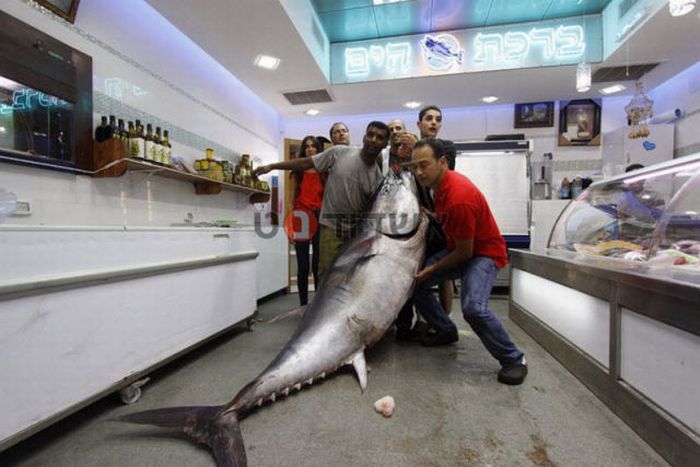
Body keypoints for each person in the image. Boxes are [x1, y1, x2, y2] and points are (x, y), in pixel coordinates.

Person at [410, 138, 528, 385]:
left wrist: (431, 268)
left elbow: (464, 254)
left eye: (424, 165)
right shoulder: (438, 186)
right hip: (462, 249)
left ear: (442, 162)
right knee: (414, 284)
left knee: (473, 308)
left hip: (483, 254)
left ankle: (514, 359)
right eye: (415, 166)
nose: (419, 172)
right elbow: (452, 226)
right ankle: (446, 330)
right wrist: (431, 216)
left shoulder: (458, 196)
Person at [255, 122, 390, 279]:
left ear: (385, 144)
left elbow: (372, 212)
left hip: (355, 235)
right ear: (364, 137)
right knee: (326, 276)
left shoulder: (378, 178)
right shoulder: (340, 152)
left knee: (349, 278)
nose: (373, 140)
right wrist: (272, 166)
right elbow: (305, 162)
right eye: (371, 135)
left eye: (379, 138)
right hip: (331, 228)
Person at [417, 105, 457, 316]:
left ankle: (445, 319)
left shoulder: (447, 147)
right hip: (416, 223)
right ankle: (423, 319)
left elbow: (442, 172)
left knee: (443, 273)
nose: (434, 122)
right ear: (419, 124)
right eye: (429, 118)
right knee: (417, 271)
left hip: (442, 219)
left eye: (438, 119)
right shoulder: (412, 149)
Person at [291, 136, 324, 306]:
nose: (310, 149)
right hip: (301, 217)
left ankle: (318, 306)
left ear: (319, 150)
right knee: (303, 266)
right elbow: (295, 196)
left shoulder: (324, 169)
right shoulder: (299, 171)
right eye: (307, 146)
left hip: (319, 216)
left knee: (317, 265)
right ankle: (303, 305)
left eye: (314, 146)